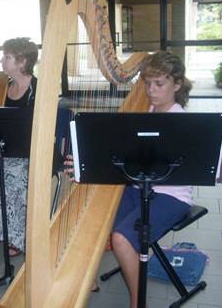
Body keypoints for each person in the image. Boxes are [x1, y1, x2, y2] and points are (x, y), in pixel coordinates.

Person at [64, 51, 194, 306]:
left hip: (171, 196)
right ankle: (86, 273)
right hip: (136, 188)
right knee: (93, 215)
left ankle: (137, 301)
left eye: (159, 84)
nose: (151, 90)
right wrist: (84, 166)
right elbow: (119, 154)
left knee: (121, 239)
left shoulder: (181, 121)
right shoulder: (145, 109)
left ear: (177, 85)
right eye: (147, 83)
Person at [0, 37, 38, 257]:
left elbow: (39, 130)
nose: (1, 60)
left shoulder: (37, 89)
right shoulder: (2, 87)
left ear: (22, 62)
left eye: (7, 57)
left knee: (4, 178)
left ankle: (17, 237)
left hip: (30, 152)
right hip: (6, 150)